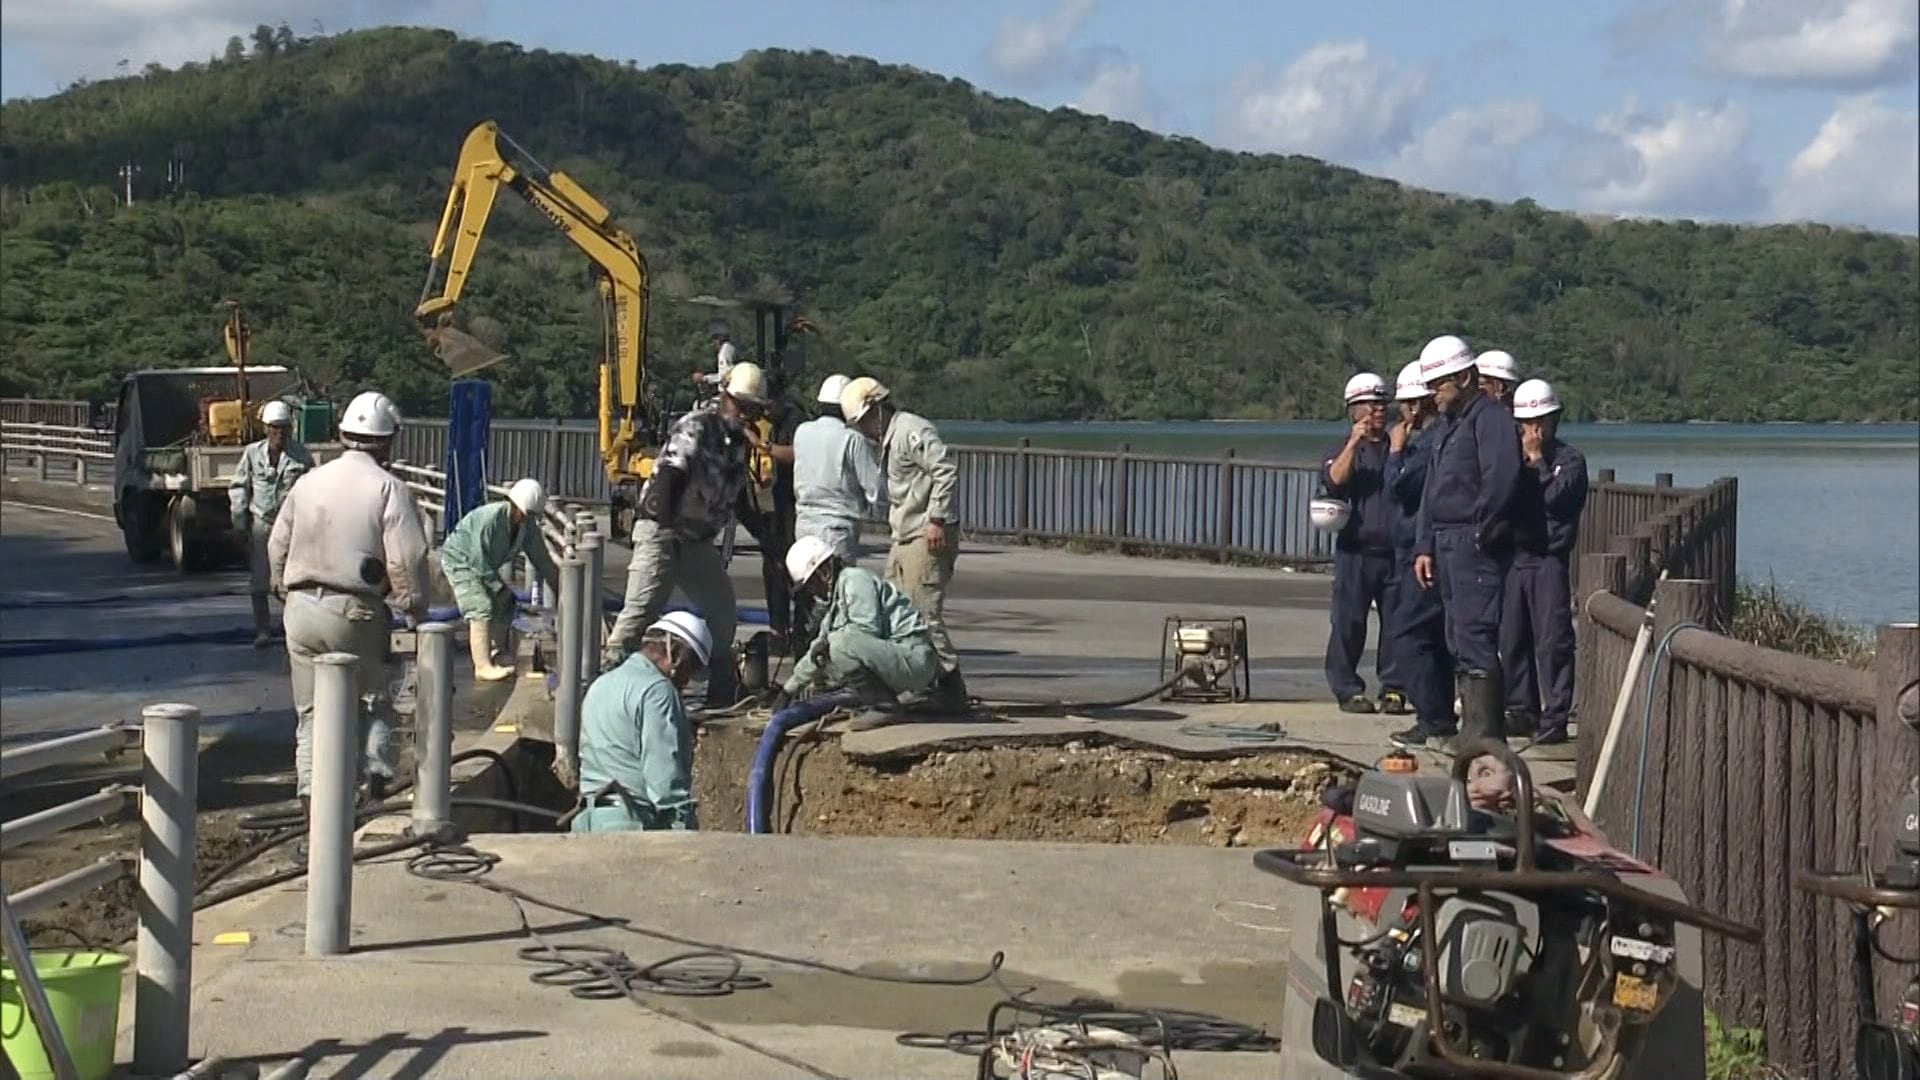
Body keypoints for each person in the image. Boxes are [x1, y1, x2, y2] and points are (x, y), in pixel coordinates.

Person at [268, 390, 430, 814]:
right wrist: (413, 609)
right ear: (387, 441)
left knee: (310, 712)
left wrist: (282, 588)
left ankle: (311, 796)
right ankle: (374, 783)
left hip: (300, 608)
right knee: (375, 698)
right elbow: (407, 559)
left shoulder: (308, 481)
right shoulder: (388, 488)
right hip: (355, 610)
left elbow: (277, 544)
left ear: (343, 435)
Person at [607, 362, 767, 708]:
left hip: (697, 540)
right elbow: (668, 478)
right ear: (725, 398)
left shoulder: (738, 445)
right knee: (641, 608)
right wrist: (666, 532)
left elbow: (738, 500)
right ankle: (607, 683)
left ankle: (722, 689)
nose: (745, 414)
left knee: (722, 609)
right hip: (662, 530)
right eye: (741, 405)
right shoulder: (697, 426)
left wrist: (769, 541)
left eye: (752, 408)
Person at [1412, 334, 1523, 745]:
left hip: (1471, 541)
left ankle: (1484, 732)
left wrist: (1481, 530)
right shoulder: (1448, 425)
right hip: (1445, 539)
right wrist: (1424, 545)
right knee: (1456, 635)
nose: (1433, 394)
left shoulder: (1490, 418)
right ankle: (1470, 729)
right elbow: (1431, 491)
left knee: (1476, 633)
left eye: (1438, 385)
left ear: (1463, 377)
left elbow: (1502, 477)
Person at [839, 376, 968, 710]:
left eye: (865, 421)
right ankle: (919, 678)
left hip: (925, 533)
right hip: (905, 534)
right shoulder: (888, 439)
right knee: (896, 609)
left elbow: (945, 469)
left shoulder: (910, 430)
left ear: (878, 409)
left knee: (924, 611)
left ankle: (949, 683)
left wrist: (937, 518)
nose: (864, 429)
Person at [762, 535, 939, 728]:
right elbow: (816, 652)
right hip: (899, 659)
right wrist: (788, 691)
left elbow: (866, 629)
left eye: (811, 584)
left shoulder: (856, 580)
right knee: (836, 645)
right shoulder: (836, 602)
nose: (811, 592)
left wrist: (829, 644)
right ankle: (879, 703)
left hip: (914, 658)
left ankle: (885, 707)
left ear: (823, 572)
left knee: (840, 645)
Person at [1501, 379, 1589, 747]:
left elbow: (1556, 499)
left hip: (1549, 559)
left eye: (1540, 422)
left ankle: (1555, 717)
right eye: (1527, 423)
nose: (1533, 431)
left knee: (1552, 640)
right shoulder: (1511, 460)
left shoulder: (1570, 461)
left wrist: (1537, 462)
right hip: (1515, 557)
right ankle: (1521, 708)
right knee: (1512, 638)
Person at [572, 612, 712, 832]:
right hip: (628, 825)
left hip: (587, 822)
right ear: (675, 653)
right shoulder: (658, 691)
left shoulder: (600, 684)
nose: (687, 682)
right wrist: (683, 829)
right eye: (691, 669)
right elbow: (665, 780)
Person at [1320, 372, 1406, 715]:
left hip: (1395, 551)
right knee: (1347, 622)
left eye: (1382, 404)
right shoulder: (1343, 450)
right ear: (1353, 409)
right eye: (1369, 404)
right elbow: (1334, 481)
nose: (1377, 410)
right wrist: (1354, 443)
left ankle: (1395, 687)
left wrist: (1398, 448)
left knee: (1397, 625)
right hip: (1354, 550)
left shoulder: (1399, 447)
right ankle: (1347, 688)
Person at [1385, 361, 1459, 749]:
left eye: (1405, 404)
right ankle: (1438, 716)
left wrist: (1395, 451)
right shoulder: (1440, 438)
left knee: (1409, 632)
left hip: (1423, 552)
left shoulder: (1430, 443)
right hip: (1423, 550)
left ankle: (1433, 717)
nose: (1401, 412)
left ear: (1416, 405)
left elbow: (1399, 486)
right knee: (1434, 636)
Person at [439, 478, 558, 683]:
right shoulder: (491, 518)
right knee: (480, 604)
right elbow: (477, 559)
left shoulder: (526, 526)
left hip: (483, 565)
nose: (526, 518)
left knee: (504, 602)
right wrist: (497, 587)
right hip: (461, 560)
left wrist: (558, 583)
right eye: (525, 513)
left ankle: (494, 649)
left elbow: (541, 558)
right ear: (515, 505)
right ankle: (482, 666)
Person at [229, 399, 312, 647]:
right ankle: (263, 630)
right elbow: (239, 486)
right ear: (266, 429)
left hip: (291, 527)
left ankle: (292, 630)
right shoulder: (252, 454)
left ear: (291, 429)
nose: (279, 433)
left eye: (284, 427)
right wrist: (239, 521)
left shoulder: (301, 455)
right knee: (259, 580)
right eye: (275, 427)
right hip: (262, 525)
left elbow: (312, 489)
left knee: (292, 579)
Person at [737, 368, 806, 651]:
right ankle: (779, 629)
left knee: (789, 566)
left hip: (793, 501)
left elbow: (797, 453)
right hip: (779, 499)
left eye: (768, 406)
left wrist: (762, 445)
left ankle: (797, 630)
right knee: (772, 565)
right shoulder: (776, 421)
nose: (764, 412)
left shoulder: (796, 421)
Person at [793, 373, 887, 566]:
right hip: (837, 528)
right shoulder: (852, 438)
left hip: (803, 525)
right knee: (839, 582)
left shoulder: (802, 432)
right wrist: (882, 513)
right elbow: (875, 488)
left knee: (807, 580)